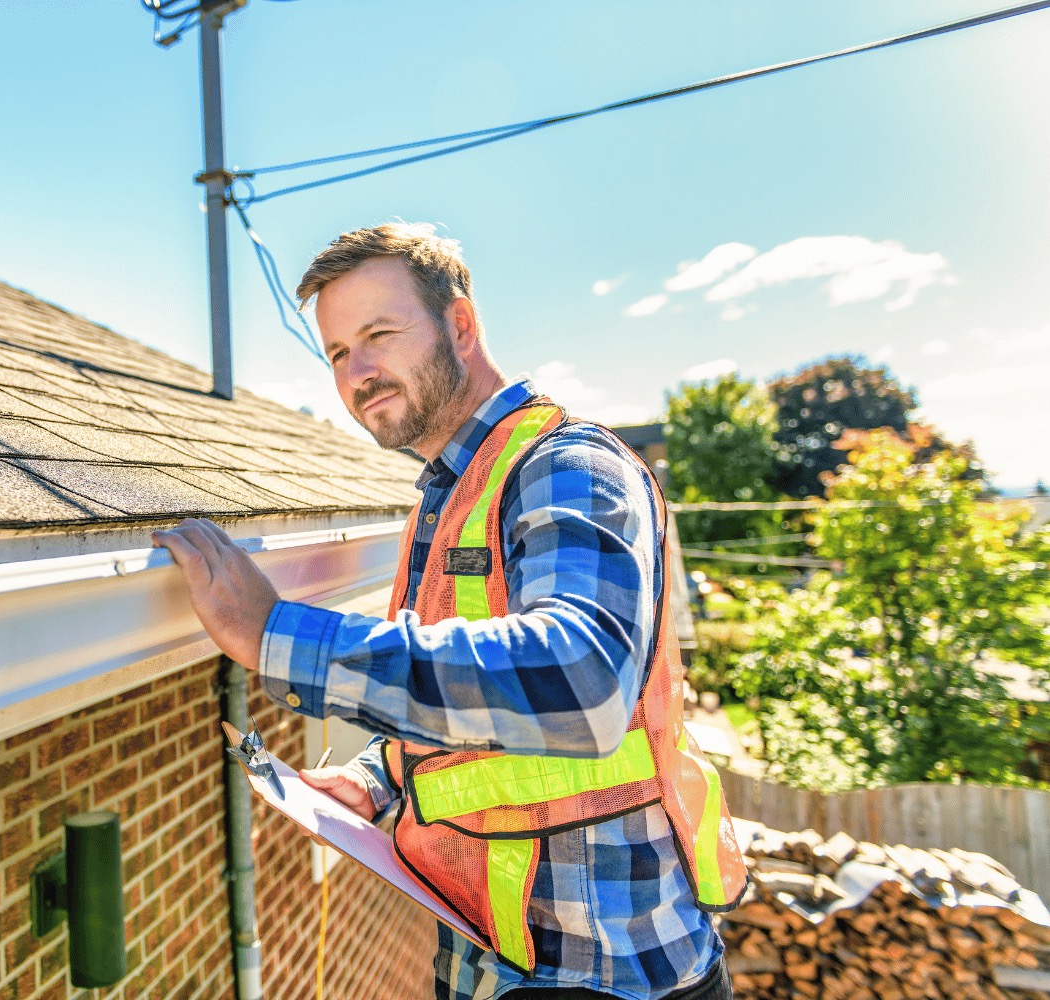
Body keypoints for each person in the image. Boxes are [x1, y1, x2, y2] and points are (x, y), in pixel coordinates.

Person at [153, 223, 744, 1000]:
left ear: (460, 325)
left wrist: (275, 636)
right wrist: (378, 776)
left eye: (378, 334)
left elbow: (582, 682)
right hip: (493, 961)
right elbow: (480, 710)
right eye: (335, 353)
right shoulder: (449, 496)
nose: (357, 371)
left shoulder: (564, 466)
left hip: (608, 974)